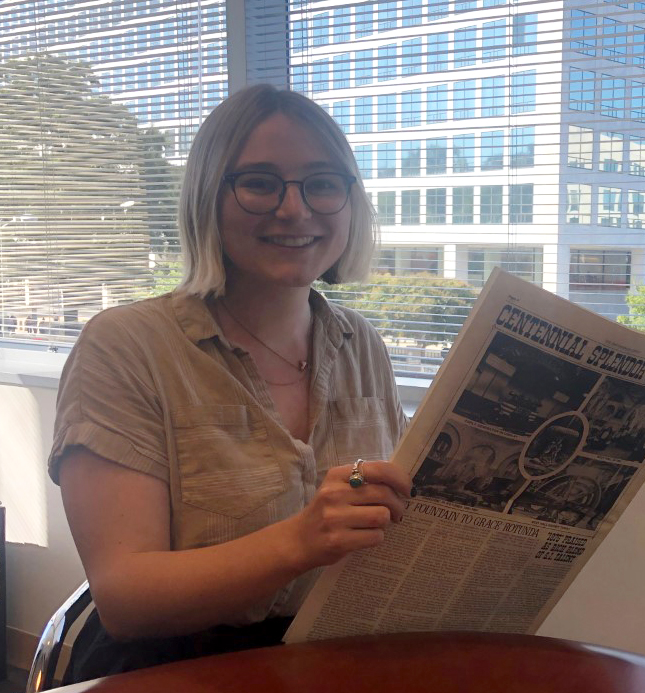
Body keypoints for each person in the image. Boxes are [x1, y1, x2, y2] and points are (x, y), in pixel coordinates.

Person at [48, 84, 413, 682]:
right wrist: (300, 541)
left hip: (335, 657)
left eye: (322, 183)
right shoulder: (126, 345)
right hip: (178, 669)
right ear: (207, 199)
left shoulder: (362, 344)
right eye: (261, 183)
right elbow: (124, 598)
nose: (295, 210)